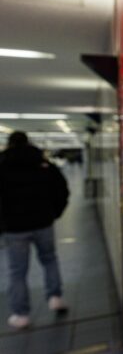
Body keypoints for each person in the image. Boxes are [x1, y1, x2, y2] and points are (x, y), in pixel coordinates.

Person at [0, 131, 70, 329]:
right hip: (42, 222)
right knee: (49, 259)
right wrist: (54, 212)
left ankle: (21, 315)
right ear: (28, 142)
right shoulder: (43, 164)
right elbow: (62, 189)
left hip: (14, 228)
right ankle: (55, 297)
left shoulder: (2, 165)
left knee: (17, 271)